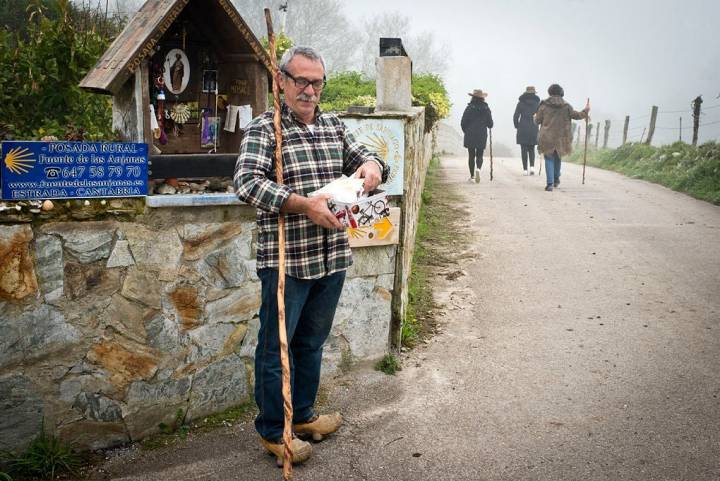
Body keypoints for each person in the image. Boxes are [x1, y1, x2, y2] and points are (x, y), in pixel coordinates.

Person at [233, 46, 388, 466]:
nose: (308, 89)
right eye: (300, 80)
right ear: (281, 80)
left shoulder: (334, 126)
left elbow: (367, 159)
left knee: (311, 343)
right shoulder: (266, 130)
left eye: (316, 81)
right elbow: (246, 183)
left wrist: (373, 166)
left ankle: (301, 417)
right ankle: (272, 430)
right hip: (287, 261)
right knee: (275, 348)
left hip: (332, 258)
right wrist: (305, 205)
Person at [535, 84, 589, 191]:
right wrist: (585, 111)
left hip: (547, 137)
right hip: (561, 138)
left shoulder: (544, 105)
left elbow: (537, 121)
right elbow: (577, 116)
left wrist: (534, 117)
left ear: (549, 92)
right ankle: (556, 180)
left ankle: (550, 184)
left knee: (549, 158)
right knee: (558, 157)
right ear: (561, 93)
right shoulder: (566, 106)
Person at [461, 89, 494, 182]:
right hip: (481, 134)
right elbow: (490, 124)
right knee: (480, 154)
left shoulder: (469, 108)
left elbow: (463, 122)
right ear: (482, 98)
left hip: (470, 133)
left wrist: (466, 131)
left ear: (473, 97)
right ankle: (478, 169)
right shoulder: (486, 108)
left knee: (471, 155)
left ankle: (472, 176)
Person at [513, 86, 540, 175]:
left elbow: (516, 116)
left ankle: (525, 170)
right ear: (534, 93)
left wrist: (517, 126)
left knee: (523, 149)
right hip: (533, 127)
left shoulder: (521, 103)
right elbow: (540, 116)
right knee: (531, 148)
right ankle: (532, 167)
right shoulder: (537, 103)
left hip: (523, 127)